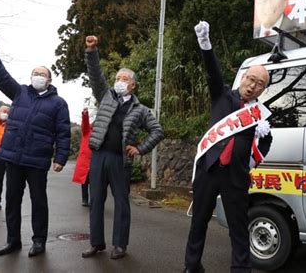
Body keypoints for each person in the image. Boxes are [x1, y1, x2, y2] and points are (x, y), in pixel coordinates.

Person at [184, 21, 273, 273]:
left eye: (259, 84)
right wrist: (205, 44)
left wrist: (253, 159)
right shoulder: (222, 95)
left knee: (238, 227)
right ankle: (191, 266)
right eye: (251, 79)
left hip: (236, 175)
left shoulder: (261, 114)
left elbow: (266, 141)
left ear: (262, 89)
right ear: (243, 78)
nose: (253, 85)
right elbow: (213, 72)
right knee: (199, 222)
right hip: (209, 169)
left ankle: (240, 269)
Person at [81, 35, 164, 260]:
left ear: (133, 85)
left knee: (121, 203)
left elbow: (158, 131)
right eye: (118, 77)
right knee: (96, 200)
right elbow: (96, 75)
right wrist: (92, 51)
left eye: (124, 79)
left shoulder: (141, 110)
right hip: (99, 155)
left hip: (121, 159)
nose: (119, 81)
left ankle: (120, 245)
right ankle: (96, 243)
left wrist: (140, 149)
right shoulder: (105, 96)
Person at [0, 39, 71, 258]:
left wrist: (61, 157)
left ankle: (39, 241)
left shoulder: (59, 103)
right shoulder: (20, 92)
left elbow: (63, 133)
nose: (38, 76)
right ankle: (13, 241)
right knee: (12, 201)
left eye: (42, 74)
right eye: (35, 73)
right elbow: (1, 77)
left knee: (38, 202)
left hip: (37, 160)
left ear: (50, 79)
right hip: (13, 156)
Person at [72, 106, 93, 206]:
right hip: (85, 160)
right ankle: (85, 199)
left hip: (94, 161)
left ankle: (94, 200)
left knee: (94, 182)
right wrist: (85, 114)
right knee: (84, 182)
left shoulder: (102, 135)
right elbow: (85, 125)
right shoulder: (87, 131)